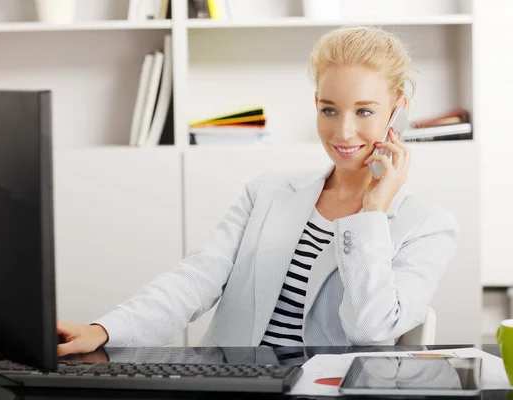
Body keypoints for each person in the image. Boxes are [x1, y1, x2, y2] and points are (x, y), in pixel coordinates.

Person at [56, 26, 459, 356]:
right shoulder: (267, 192)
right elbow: (196, 278)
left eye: (365, 111)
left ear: (397, 110)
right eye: (330, 110)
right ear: (316, 103)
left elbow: (370, 329)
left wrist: (371, 212)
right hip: (232, 385)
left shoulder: (426, 226)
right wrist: (105, 330)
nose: (343, 131)